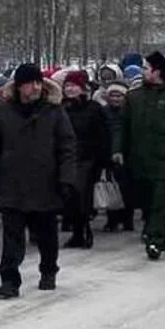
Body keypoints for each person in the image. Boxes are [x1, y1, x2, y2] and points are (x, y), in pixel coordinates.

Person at [0, 65, 77, 299]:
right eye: (29, 83)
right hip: (11, 183)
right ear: (18, 86)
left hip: (46, 183)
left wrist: (67, 179)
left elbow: (67, 147)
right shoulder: (3, 112)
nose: (34, 87)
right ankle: (9, 280)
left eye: (37, 82)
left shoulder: (54, 111)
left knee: (46, 233)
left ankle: (48, 270)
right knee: (12, 236)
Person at [117, 51, 165, 261]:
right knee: (147, 200)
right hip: (139, 158)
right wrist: (117, 150)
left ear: (157, 71)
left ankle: (154, 240)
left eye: (145, 67)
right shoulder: (134, 97)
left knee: (160, 201)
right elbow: (122, 126)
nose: (143, 71)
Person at [59, 70, 110, 249]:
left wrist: (103, 160)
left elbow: (102, 135)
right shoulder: (61, 108)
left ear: (82, 88)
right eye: (67, 86)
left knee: (82, 195)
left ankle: (84, 230)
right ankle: (76, 231)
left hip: (87, 159)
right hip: (66, 158)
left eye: (73, 86)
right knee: (69, 197)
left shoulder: (94, 109)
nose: (69, 89)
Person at [98, 81, 136, 232]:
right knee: (111, 187)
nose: (115, 99)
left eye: (119, 95)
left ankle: (128, 219)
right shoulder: (103, 112)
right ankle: (112, 219)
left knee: (127, 189)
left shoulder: (130, 113)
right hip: (108, 155)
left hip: (128, 155)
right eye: (112, 95)